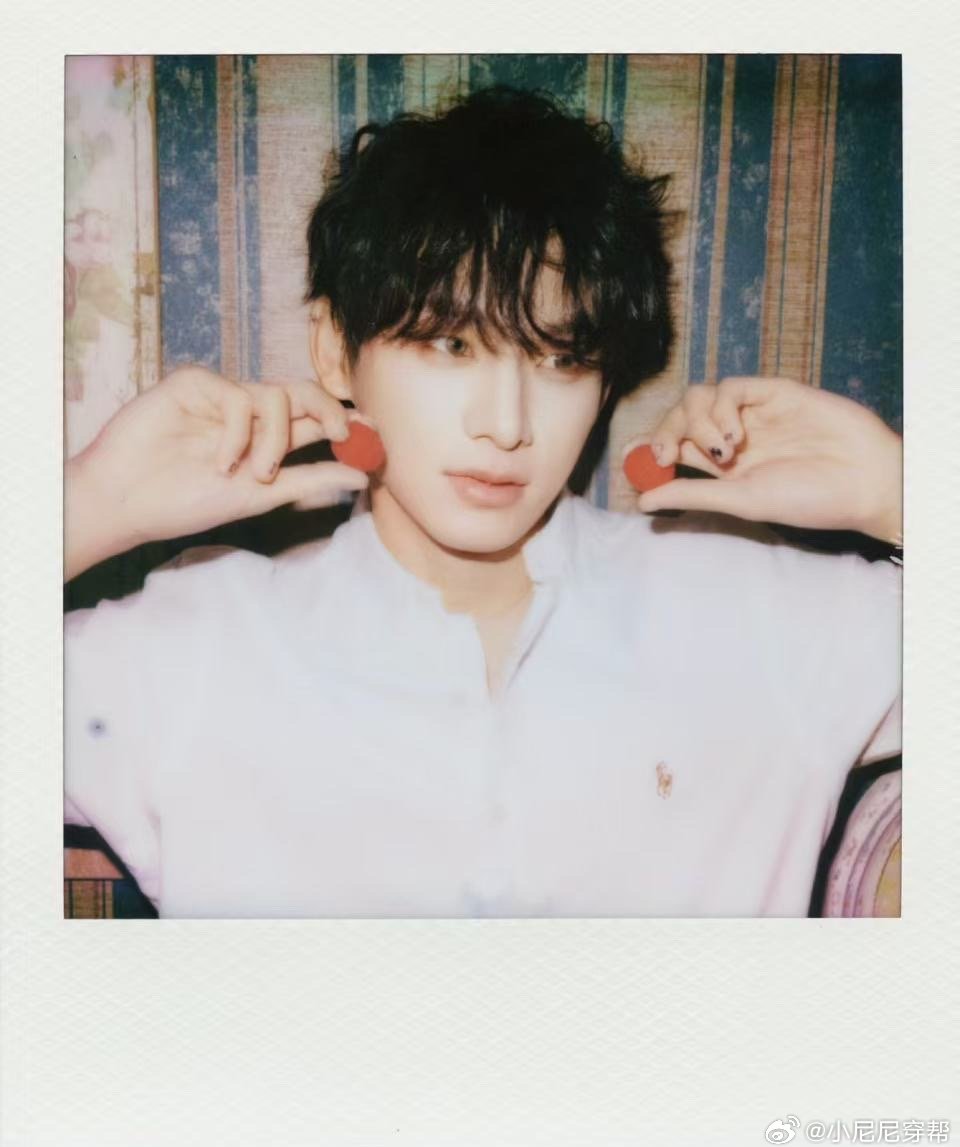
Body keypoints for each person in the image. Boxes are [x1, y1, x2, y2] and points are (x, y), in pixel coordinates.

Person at [64, 87, 902, 918]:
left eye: (562, 359)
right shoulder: (202, 643)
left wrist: (894, 491)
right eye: (450, 344)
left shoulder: (752, 612)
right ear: (336, 350)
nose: (506, 425)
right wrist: (89, 505)